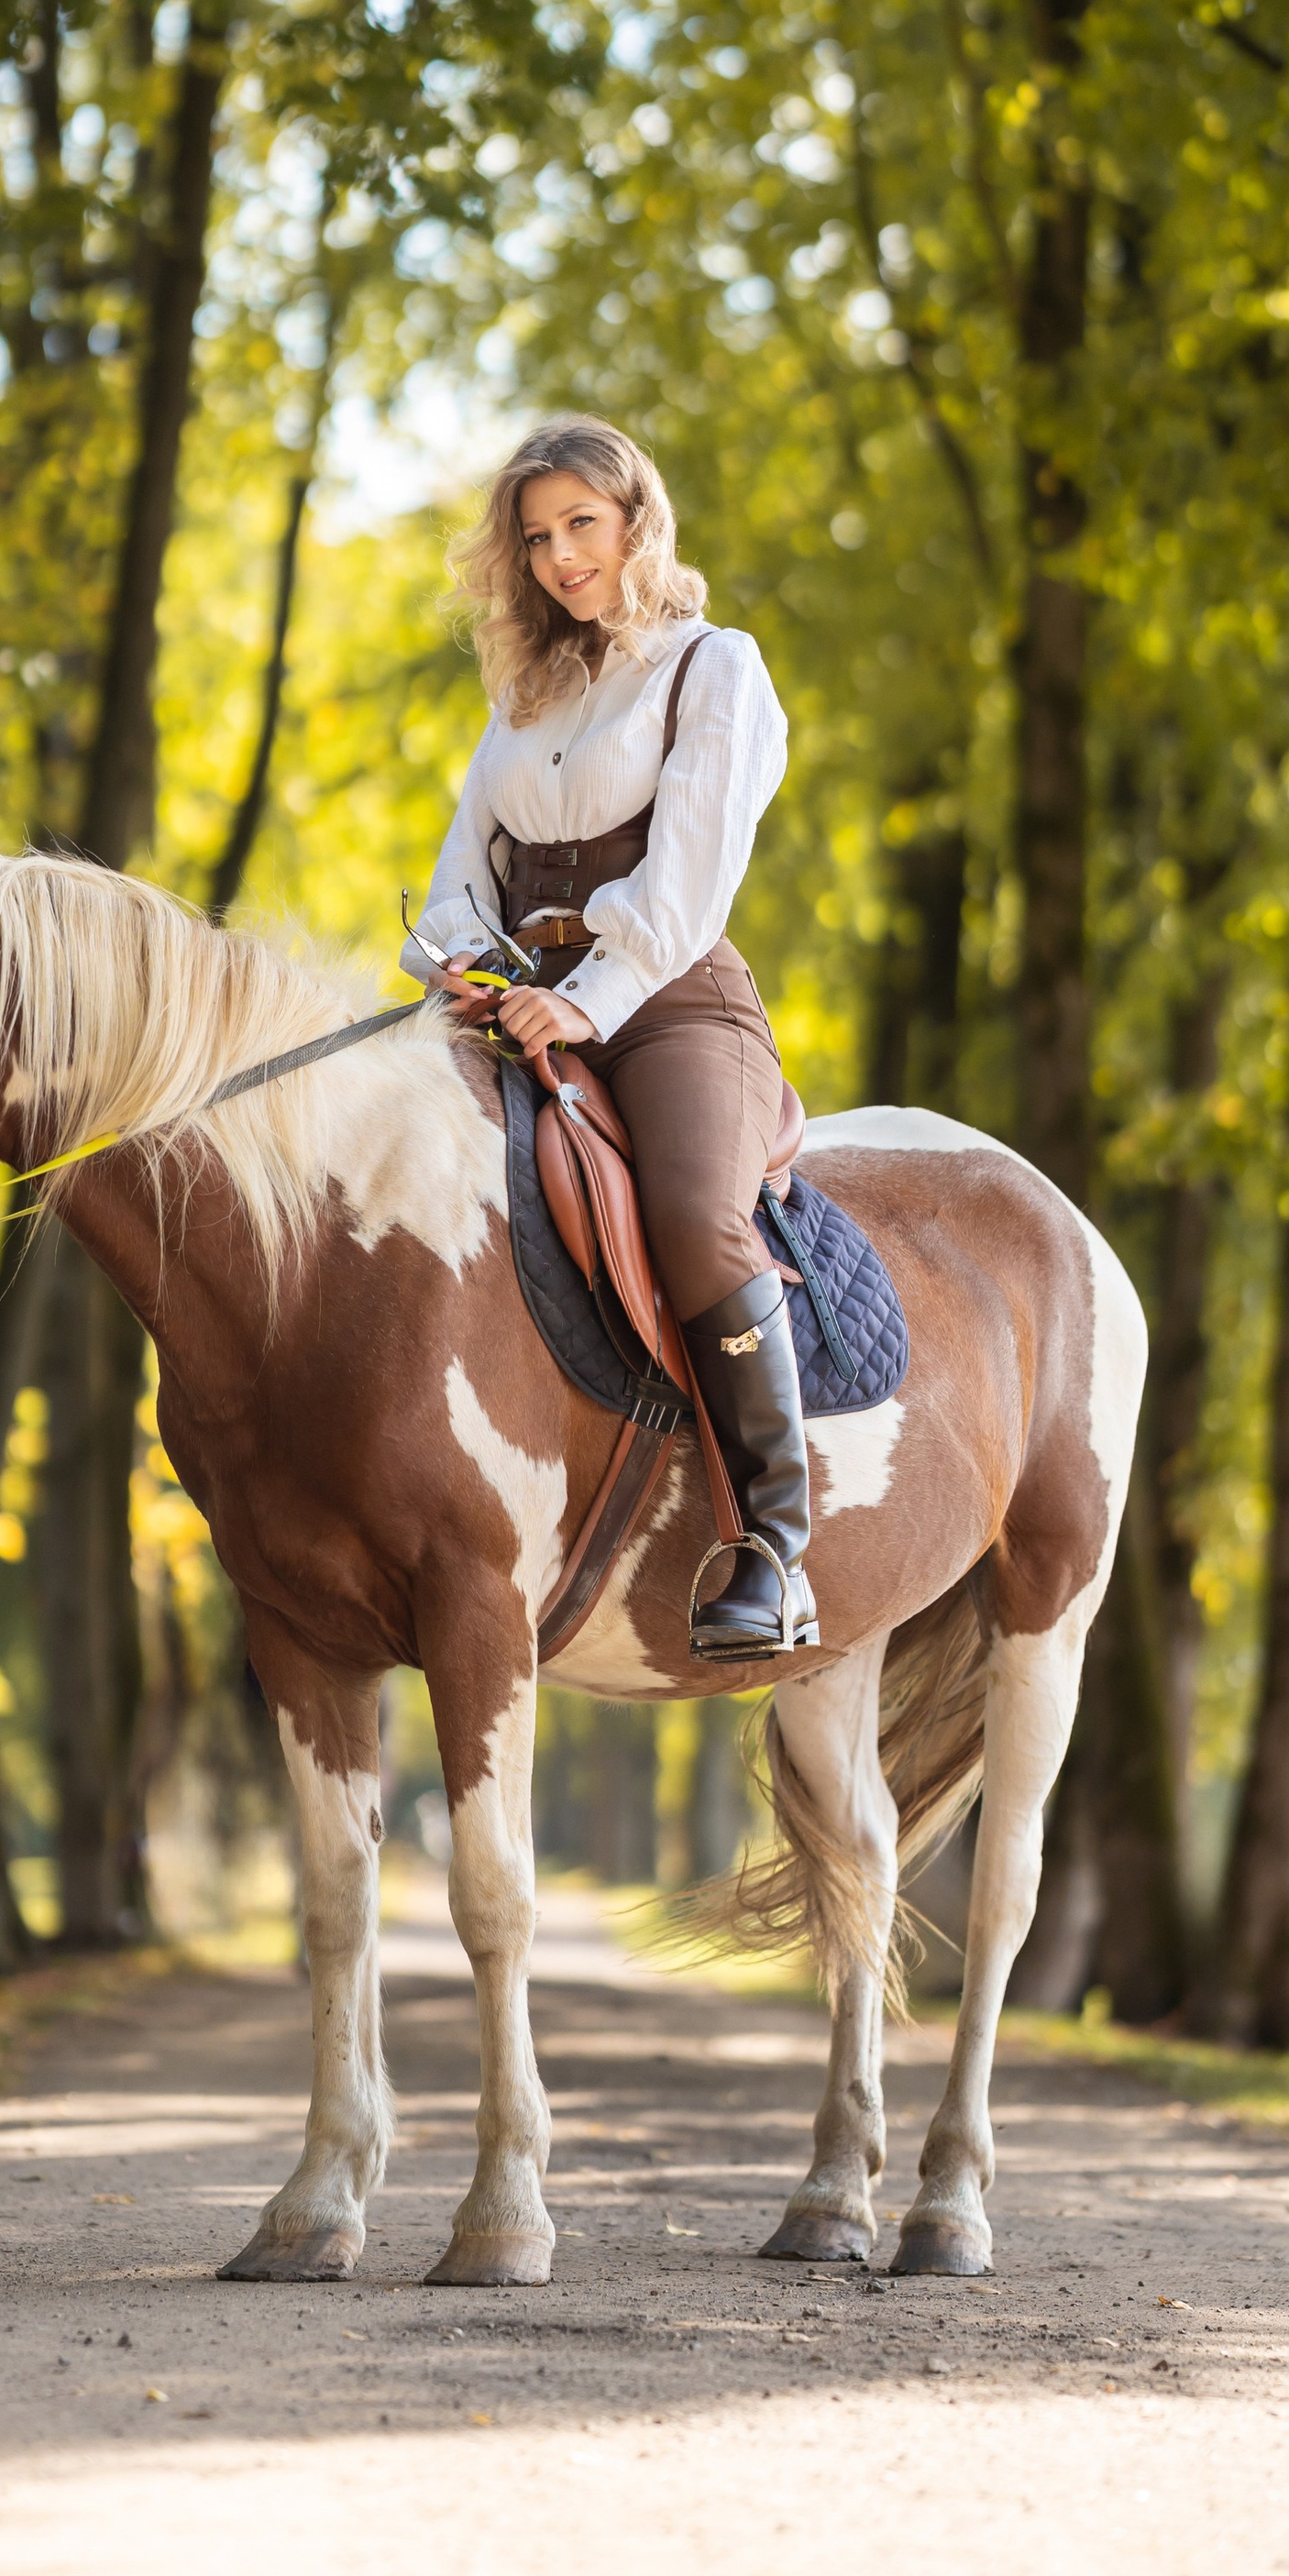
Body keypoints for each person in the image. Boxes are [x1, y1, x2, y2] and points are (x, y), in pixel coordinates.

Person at [406, 415, 817, 1658]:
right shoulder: (522, 696)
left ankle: (775, 1546)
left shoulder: (713, 668)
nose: (561, 557)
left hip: (670, 999)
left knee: (694, 1215)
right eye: (537, 539)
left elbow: (688, 885)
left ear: (639, 521)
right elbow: (463, 871)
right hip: (520, 994)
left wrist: (585, 1000)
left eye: (582, 524)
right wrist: (465, 965)